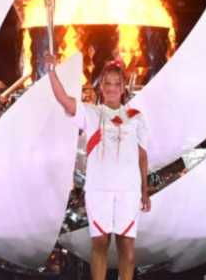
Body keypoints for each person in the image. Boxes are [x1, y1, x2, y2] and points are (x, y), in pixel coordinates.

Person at [44, 53, 151, 280]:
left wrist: (144, 191)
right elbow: (63, 98)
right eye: (107, 83)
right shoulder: (91, 113)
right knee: (100, 244)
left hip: (129, 190)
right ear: (101, 87)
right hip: (99, 189)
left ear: (123, 88)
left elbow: (142, 156)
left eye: (116, 84)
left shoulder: (136, 117)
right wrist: (51, 70)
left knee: (127, 249)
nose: (112, 88)